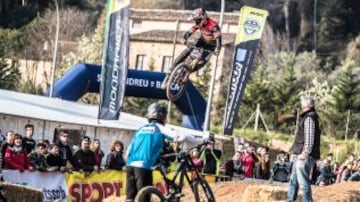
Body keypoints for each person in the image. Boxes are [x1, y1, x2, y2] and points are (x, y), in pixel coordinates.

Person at [125, 102, 205, 202]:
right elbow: (181, 136)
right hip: (143, 166)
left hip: (129, 166)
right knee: (144, 199)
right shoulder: (159, 128)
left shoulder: (140, 129)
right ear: (162, 116)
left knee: (130, 198)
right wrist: (203, 139)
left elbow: (127, 152)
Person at [161, 8, 222, 88]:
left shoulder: (213, 26)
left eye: (197, 21)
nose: (196, 23)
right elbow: (190, 31)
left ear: (203, 19)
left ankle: (187, 73)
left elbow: (218, 39)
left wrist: (218, 48)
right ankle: (170, 71)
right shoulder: (198, 23)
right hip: (202, 41)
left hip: (211, 46)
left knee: (201, 63)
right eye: (195, 21)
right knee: (188, 50)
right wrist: (185, 38)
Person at [287, 97, 321, 202]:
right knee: (294, 180)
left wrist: (305, 153)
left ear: (305, 105)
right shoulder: (310, 116)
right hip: (300, 152)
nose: (301, 106)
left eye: (302, 104)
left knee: (303, 181)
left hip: (304, 154)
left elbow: (309, 137)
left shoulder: (310, 118)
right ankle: (290, 199)